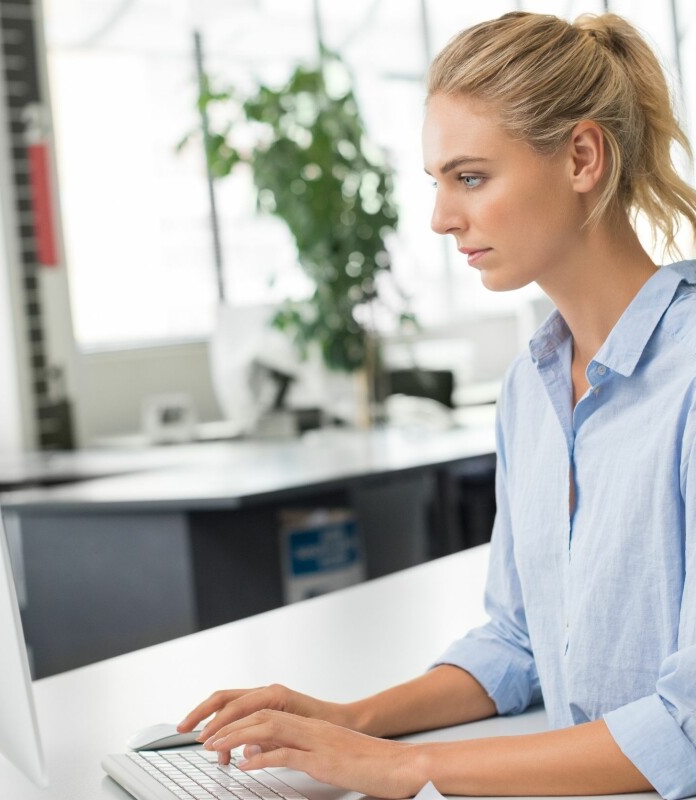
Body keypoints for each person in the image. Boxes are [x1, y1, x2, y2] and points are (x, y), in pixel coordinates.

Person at [177, 12, 696, 799]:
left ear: (583, 157)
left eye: (472, 177)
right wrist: (351, 719)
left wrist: (407, 767)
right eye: (438, 182)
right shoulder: (534, 386)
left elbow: (685, 729)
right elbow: (519, 643)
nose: (441, 217)